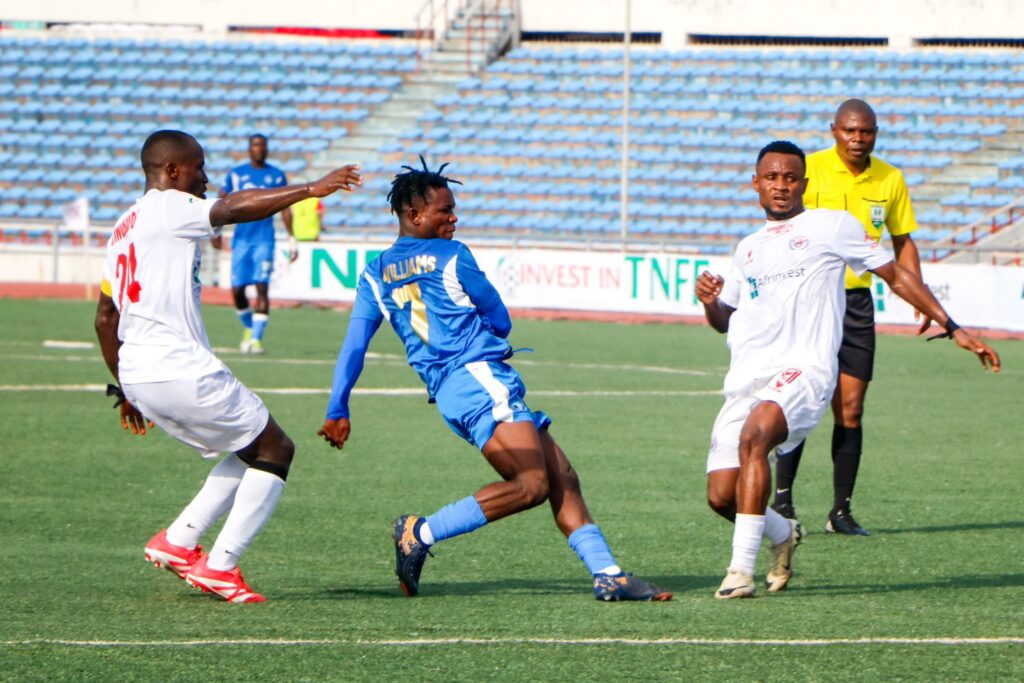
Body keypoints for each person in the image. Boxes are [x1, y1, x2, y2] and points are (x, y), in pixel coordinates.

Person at [318, 158, 671, 602]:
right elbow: (501, 320)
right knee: (532, 485)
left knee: (561, 474)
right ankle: (420, 532)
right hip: (481, 378)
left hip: (452, 392)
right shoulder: (452, 255)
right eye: (445, 210)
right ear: (414, 214)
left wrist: (338, 407)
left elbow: (354, 345)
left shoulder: (374, 274)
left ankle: (608, 573)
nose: (454, 218)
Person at [696, 141, 999, 600]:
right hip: (748, 376)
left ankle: (739, 572)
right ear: (755, 184)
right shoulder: (748, 248)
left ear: (804, 184)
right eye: (772, 177)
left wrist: (952, 326)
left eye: (790, 178)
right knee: (722, 496)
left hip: (804, 369)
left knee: (755, 438)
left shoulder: (831, 225)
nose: (781, 186)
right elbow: (724, 321)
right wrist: (710, 302)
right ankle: (782, 532)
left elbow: (895, 274)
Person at [94, 129, 361, 603]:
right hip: (177, 365)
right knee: (275, 448)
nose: (205, 178)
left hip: (138, 370)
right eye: (198, 167)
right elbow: (233, 208)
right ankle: (220, 566)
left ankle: (179, 541)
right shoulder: (170, 205)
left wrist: (127, 389)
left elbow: (104, 318)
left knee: (247, 446)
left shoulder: (121, 227)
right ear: (171, 171)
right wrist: (310, 189)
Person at [772, 99, 927, 536]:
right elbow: (782, 225)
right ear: (834, 130)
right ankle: (782, 502)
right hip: (808, 301)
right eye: (850, 131)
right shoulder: (809, 169)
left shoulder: (890, 178)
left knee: (851, 408)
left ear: (875, 133)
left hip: (856, 304)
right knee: (798, 402)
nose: (858, 139)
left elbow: (903, 240)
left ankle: (840, 512)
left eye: (866, 132)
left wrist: (916, 289)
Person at [213, 134, 294, 355]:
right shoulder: (237, 174)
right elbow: (221, 201)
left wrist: (292, 238)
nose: (260, 149)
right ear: (249, 149)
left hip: (264, 240)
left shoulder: (276, 176)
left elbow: (286, 207)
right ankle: (250, 328)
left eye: (263, 145)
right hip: (241, 240)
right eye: (256, 145)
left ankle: (256, 339)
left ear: (267, 149)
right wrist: (216, 230)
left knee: (261, 287)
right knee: (237, 290)